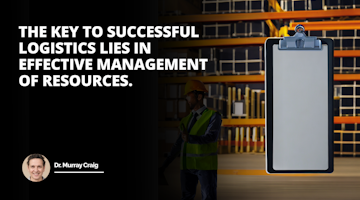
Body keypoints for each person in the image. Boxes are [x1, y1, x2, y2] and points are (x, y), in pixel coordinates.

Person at [159, 80, 222, 200]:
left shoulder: (213, 116)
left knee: (208, 197)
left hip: (205, 167)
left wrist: (190, 138)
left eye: (189, 95)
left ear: (199, 96)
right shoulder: (186, 120)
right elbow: (178, 145)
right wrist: (164, 166)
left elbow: (211, 137)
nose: (186, 98)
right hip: (187, 168)